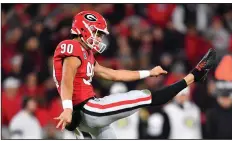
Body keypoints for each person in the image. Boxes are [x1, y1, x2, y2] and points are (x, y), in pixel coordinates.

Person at [52, 11, 216, 139]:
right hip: (90, 110)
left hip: (84, 120)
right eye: (97, 33)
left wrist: (148, 73)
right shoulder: (71, 46)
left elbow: (113, 74)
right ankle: (195, 75)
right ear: (84, 30)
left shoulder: (85, 53)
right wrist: (67, 108)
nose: (99, 38)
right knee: (146, 96)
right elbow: (67, 78)